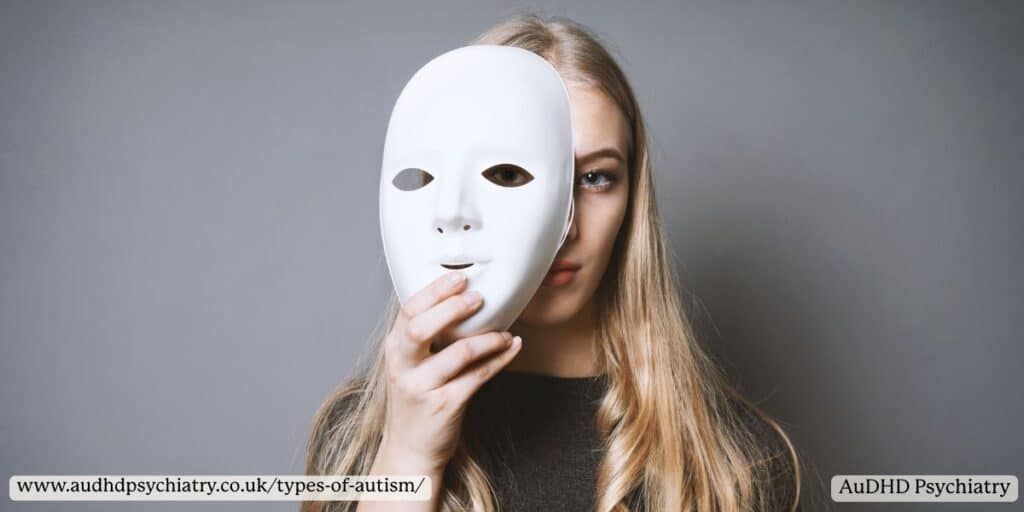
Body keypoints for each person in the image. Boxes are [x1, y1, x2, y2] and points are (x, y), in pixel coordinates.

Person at [303, 13, 802, 512]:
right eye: (507, 174)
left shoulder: (737, 463)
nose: (563, 226)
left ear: (632, 199)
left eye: (593, 179)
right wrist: (409, 458)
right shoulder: (356, 447)